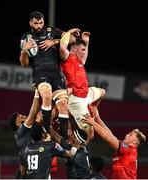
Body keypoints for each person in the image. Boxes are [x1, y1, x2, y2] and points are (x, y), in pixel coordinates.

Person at [19, 10, 80, 139]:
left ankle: (64, 140)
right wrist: (25, 50)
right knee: (46, 96)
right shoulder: (26, 38)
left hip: (56, 74)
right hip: (40, 74)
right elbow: (24, 64)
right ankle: (46, 132)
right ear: (30, 23)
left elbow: (73, 39)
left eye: (41, 23)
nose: (39, 26)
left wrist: (55, 42)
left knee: (63, 105)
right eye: (36, 23)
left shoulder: (51, 31)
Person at [59, 29, 106, 139]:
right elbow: (62, 47)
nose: (85, 53)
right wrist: (69, 32)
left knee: (102, 92)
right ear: (75, 50)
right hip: (77, 100)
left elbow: (84, 54)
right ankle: (78, 152)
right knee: (90, 134)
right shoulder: (67, 58)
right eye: (82, 50)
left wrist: (86, 41)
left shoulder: (79, 60)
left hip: (86, 95)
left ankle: (91, 109)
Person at [82, 112, 146, 179]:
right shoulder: (127, 149)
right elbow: (111, 136)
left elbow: (108, 138)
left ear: (134, 143)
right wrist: (98, 119)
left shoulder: (130, 150)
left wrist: (93, 123)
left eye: (130, 135)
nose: (126, 134)